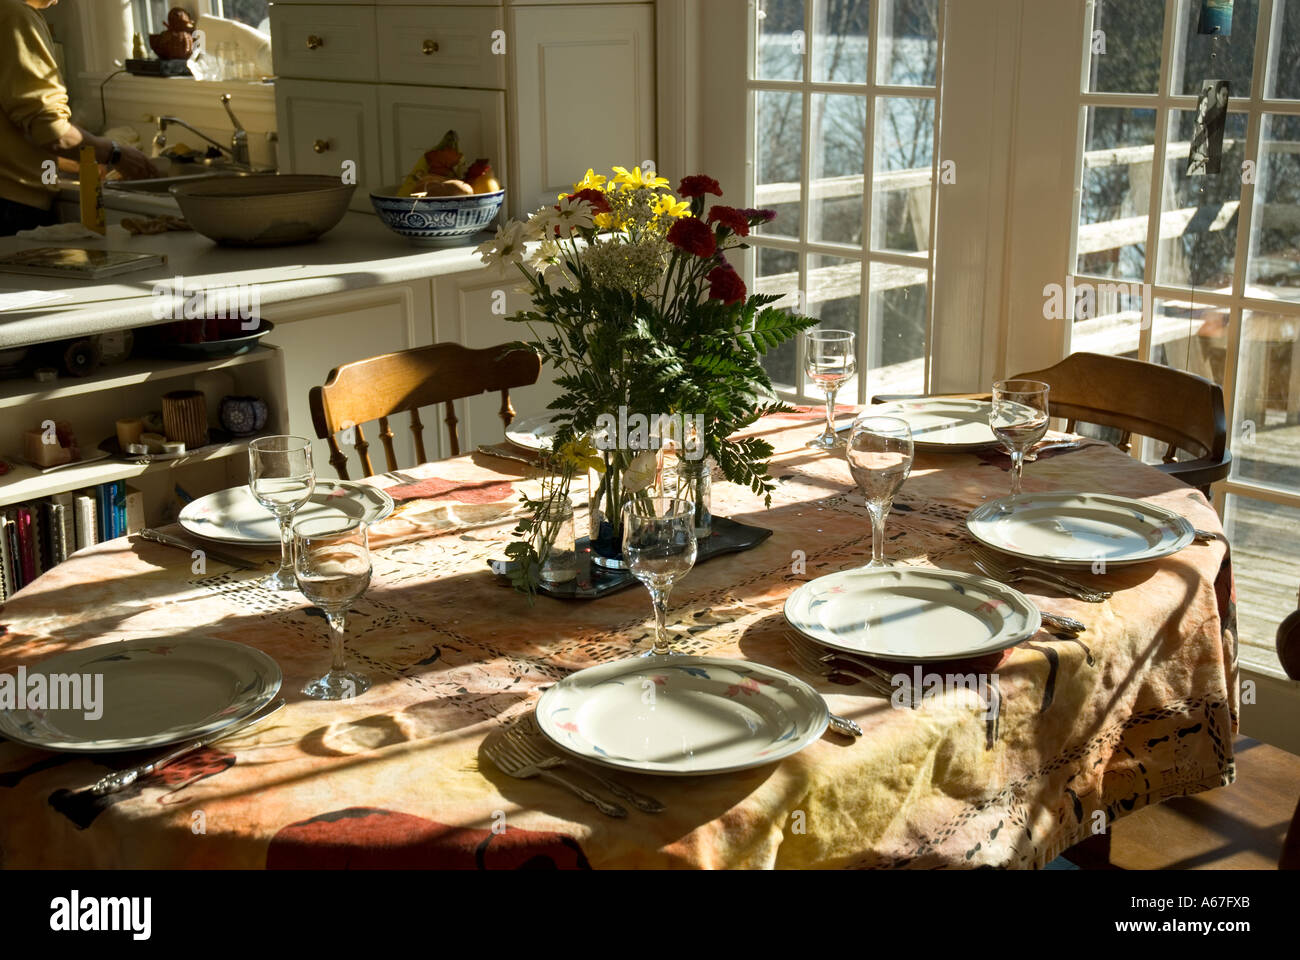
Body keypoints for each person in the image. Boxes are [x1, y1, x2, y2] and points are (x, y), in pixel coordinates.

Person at [1, 0, 158, 235]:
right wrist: (115, 153)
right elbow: (52, 132)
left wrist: (80, 161)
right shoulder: (15, 16)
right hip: (12, 209)